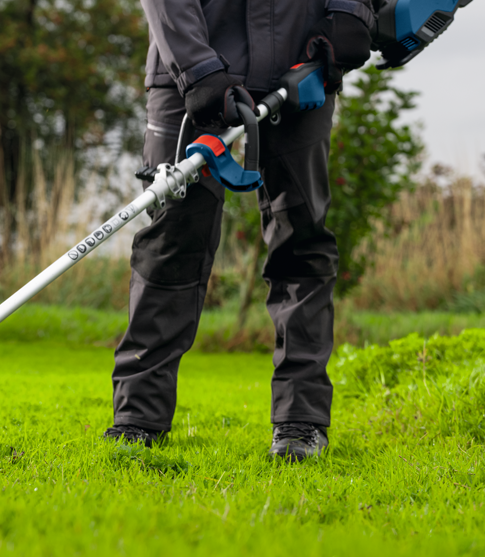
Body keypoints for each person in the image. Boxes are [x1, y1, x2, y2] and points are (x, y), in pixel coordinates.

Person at [103, 0, 381, 461]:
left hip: (302, 66)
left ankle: (301, 421)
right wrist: (199, 70)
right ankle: (138, 421)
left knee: (302, 241)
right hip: (188, 77)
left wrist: (352, 12)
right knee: (173, 243)